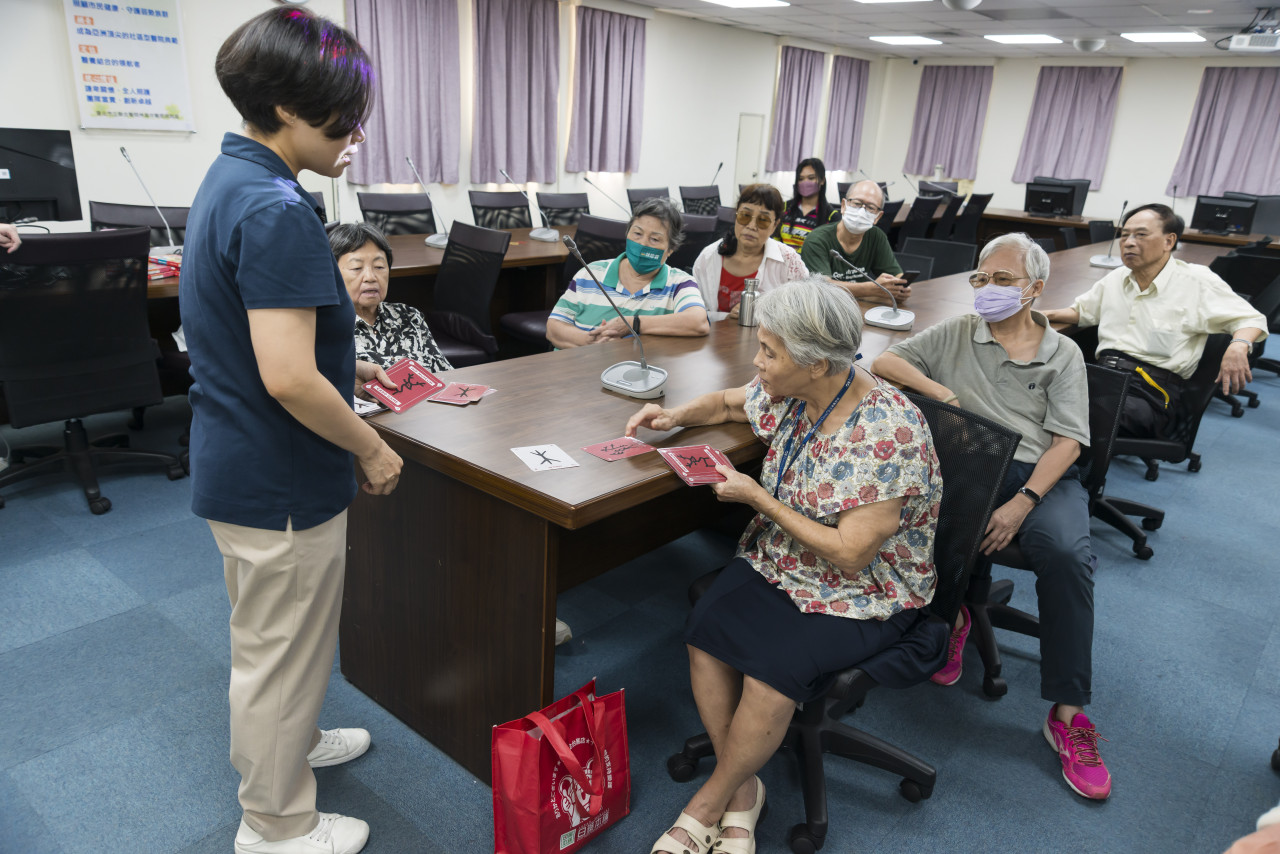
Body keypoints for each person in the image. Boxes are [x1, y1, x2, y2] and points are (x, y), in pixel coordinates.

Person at [181, 9, 402, 854]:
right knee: (277, 651)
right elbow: (285, 376)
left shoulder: (233, 177)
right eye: (339, 121)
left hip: (242, 458)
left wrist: (349, 369)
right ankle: (276, 826)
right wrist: (373, 446)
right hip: (277, 475)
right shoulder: (275, 208)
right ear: (279, 108)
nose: (353, 138)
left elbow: (260, 343)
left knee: (275, 641)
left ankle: (293, 744)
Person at [626, 277, 942, 854]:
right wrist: (671, 416)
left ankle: (706, 805)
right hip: (783, 556)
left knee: (772, 674)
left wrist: (757, 498)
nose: (758, 361)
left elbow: (852, 553)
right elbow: (727, 402)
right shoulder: (794, 390)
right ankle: (745, 792)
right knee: (705, 636)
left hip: (863, 588)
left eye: (769, 352)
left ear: (818, 361)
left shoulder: (886, 431)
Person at [872, 233, 1110, 801]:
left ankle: (1069, 714)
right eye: (982, 278)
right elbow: (884, 359)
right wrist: (944, 394)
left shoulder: (1064, 353)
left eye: (1003, 280)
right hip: (973, 464)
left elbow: (1068, 442)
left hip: (1040, 475)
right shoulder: (959, 330)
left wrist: (1023, 501)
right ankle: (951, 622)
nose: (988, 290)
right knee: (915, 508)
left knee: (1068, 555)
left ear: (1035, 288)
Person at [1042, 204, 1267, 437]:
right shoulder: (1118, 277)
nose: (1128, 242)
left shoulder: (1195, 281)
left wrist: (1239, 346)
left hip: (1151, 393)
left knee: (1069, 413)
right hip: (1102, 377)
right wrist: (1043, 314)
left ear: (1169, 242)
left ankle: (1072, 471)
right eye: (1125, 234)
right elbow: (1082, 312)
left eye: (1140, 234)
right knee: (1033, 395)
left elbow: (1252, 319)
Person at [546, 197, 709, 348]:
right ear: (627, 234)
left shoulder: (680, 283)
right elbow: (554, 328)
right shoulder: (590, 273)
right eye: (637, 234)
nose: (642, 243)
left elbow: (698, 322)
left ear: (670, 249)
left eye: (655, 239)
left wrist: (633, 324)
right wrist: (592, 341)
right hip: (575, 368)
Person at [329, 222, 452, 373]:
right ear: (333, 274)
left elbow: (445, 375)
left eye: (379, 267)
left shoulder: (409, 316)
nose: (370, 277)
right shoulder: (325, 329)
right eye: (356, 268)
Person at [692, 183, 807, 318]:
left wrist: (764, 315)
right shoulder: (708, 256)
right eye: (745, 216)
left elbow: (805, 311)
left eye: (763, 220)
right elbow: (693, 312)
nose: (751, 226)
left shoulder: (788, 260)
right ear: (736, 216)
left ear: (775, 225)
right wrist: (726, 317)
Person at [800, 180, 910, 305]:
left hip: (861, 307)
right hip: (825, 309)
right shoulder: (817, 239)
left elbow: (896, 275)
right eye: (857, 203)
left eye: (870, 208)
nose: (862, 211)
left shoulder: (876, 236)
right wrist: (871, 289)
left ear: (878, 217)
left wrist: (900, 288)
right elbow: (823, 288)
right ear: (843, 205)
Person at [774, 157, 838, 251]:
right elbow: (774, 239)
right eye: (801, 179)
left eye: (811, 178)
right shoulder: (784, 208)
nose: (805, 182)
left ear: (822, 180)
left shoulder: (832, 216)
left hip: (810, 264)